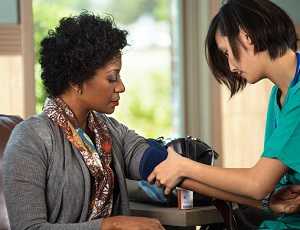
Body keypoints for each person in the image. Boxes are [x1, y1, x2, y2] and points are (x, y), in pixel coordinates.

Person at [3, 12, 166, 230]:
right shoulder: (29, 138)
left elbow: (148, 158)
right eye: (112, 78)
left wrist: (184, 161)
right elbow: (28, 228)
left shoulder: (108, 129)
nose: (121, 87)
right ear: (76, 80)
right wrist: (110, 225)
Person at [147, 0, 300, 228]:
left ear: (246, 36)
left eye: (227, 52)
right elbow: (264, 191)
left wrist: (185, 167)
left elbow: (258, 184)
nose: (229, 66)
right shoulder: (279, 94)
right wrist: (182, 173)